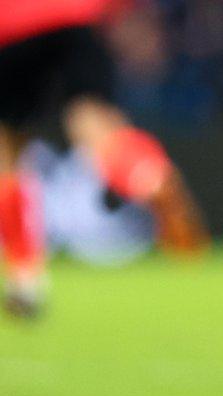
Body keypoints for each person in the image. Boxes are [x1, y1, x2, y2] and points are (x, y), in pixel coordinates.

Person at [0, 0, 209, 318]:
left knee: (7, 155)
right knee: (95, 126)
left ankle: (26, 278)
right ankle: (149, 178)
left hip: (11, 34)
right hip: (75, 23)